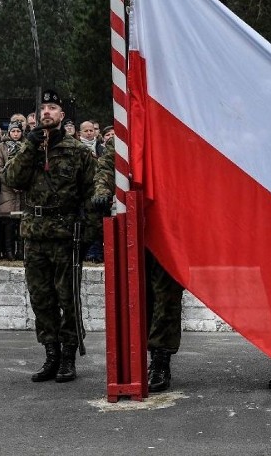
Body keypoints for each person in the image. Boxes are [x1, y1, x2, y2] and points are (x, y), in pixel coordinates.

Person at [2, 90, 97, 384]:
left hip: (66, 235)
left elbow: (92, 195)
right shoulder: (29, 148)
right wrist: (29, 146)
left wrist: (88, 236)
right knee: (41, 298)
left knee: (67, 298)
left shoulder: (77, 151)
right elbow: (12, 179)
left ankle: (68, 356)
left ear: (62, 115)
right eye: (42, 108)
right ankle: (51, 354)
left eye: (52, 107)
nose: (46, 112)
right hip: (34, 233)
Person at [92, 138, 188, 392]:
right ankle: (141, 357)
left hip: (169, 227)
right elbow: (106, 168)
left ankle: (160, 360)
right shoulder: (124, 137)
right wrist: (102, 193)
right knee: (136, 294)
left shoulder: (169, 132)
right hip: (134, 227)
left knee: (166, 295)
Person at [0, 122, 24, 261]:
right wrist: (11, 183)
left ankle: (21, 251)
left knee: (23, 222)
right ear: (9, 132)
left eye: (18, 131)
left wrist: (23, 183)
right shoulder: (1, 147)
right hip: (7, 190)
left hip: (24, 190)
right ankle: (9, 251)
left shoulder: (27, 146)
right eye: (13, 131)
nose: (16, 134)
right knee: (8, 224)